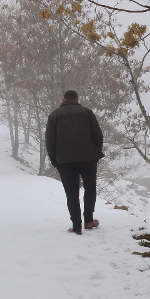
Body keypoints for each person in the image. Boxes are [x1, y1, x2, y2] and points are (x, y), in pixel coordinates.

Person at [44, 90, 104, 235]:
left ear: (63, 99)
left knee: (71, 193)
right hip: (88, 158)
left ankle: (76, 227)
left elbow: (49, 141)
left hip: (65, 161)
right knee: (90, 188)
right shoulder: (87, 112)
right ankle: (89, 220)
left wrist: (55, 161)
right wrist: (95, 152)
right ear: (78, 99)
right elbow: (98, 135)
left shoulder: (54, 115)